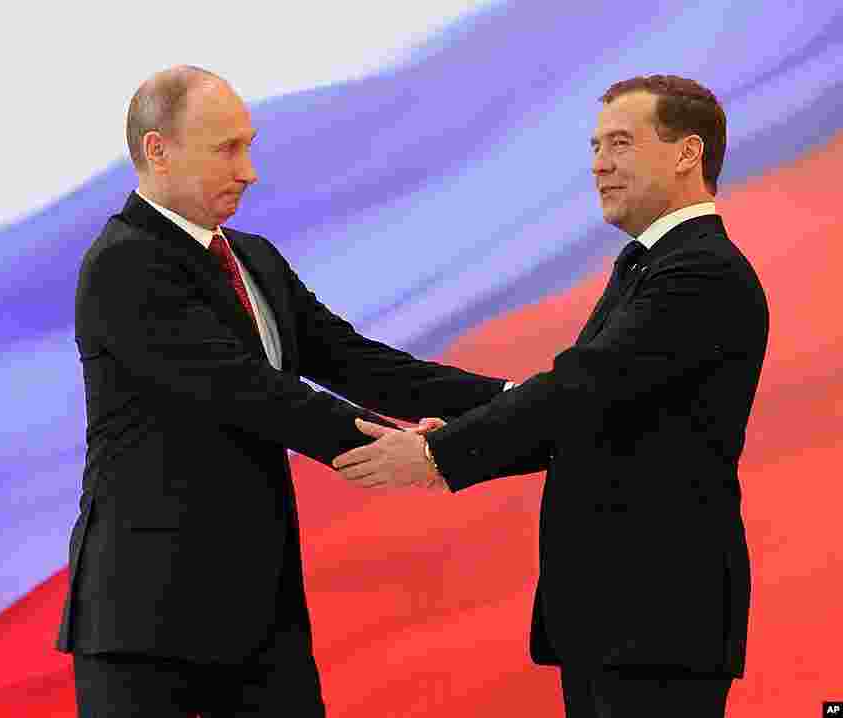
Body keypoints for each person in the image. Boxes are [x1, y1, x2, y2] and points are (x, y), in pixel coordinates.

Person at [55, 66, 511, 717]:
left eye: (249, 145)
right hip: (149, 626)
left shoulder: (254, 258)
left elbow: (361, 364)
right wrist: (410, 447)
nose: (249, 171)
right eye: (227, 149)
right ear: (157, 151)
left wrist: (516, 400)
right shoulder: (124, 264)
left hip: (260, 619)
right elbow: (252, 394)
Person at [334, 75, 769, 717]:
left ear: (687, 153)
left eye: (620, 143)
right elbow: (593, 413)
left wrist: (439, 456)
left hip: (660, 617)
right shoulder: (650, 265)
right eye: (595, 146)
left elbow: (579, 390)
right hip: (617, 621)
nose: (599, 164)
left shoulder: (700, 272)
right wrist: (466, 428)